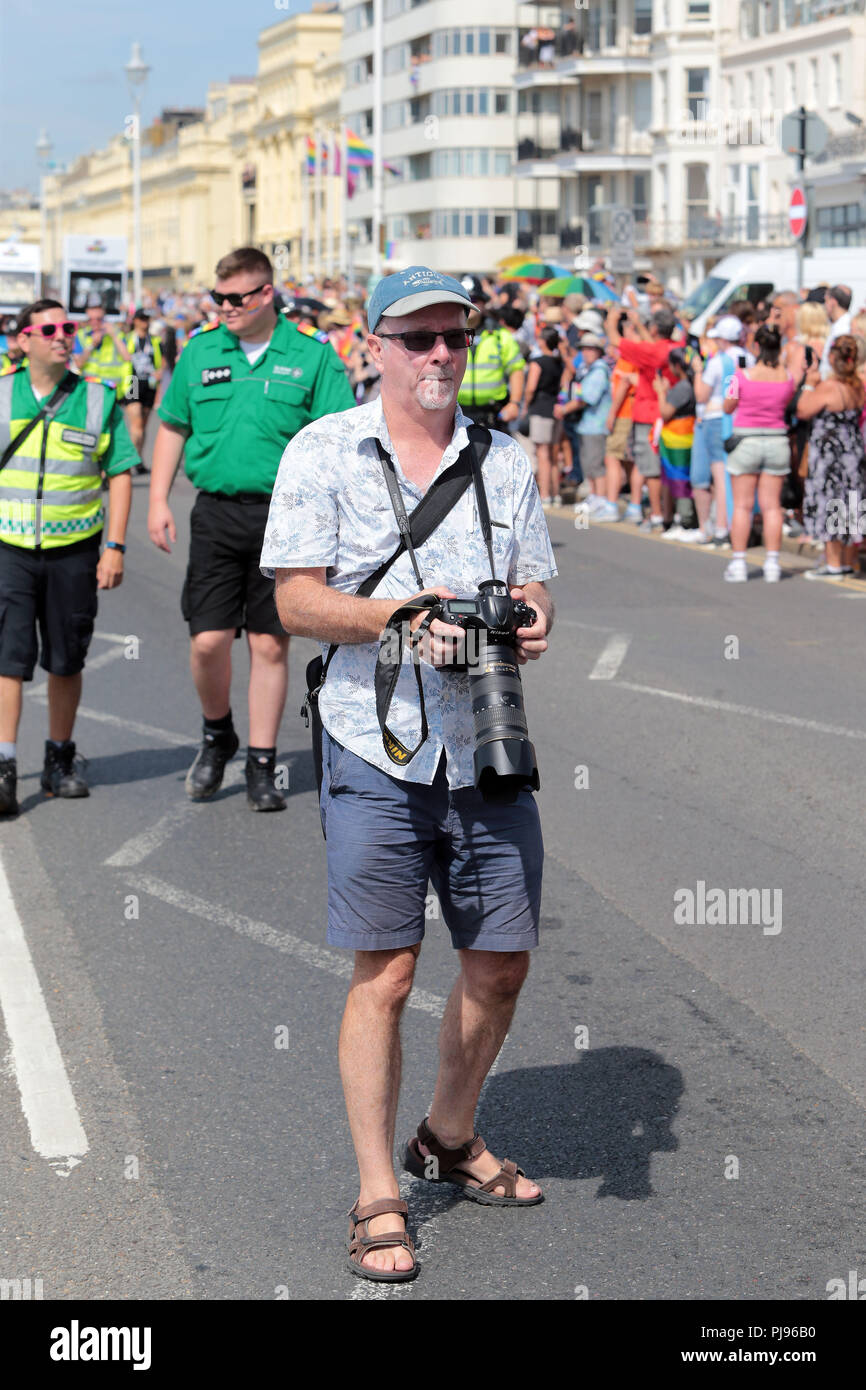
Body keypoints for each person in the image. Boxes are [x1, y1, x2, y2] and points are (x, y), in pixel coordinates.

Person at [261, 266, 556, 1282]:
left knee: (500, 963)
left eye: (454, 340)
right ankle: (377, 1189)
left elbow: (530, 583)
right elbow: (296, 602)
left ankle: (448, 1132)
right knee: (384, 971)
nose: (440, 357)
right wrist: (398, 616)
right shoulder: (323, 450)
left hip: (486, 736)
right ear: (374, 346)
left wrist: (528, 614)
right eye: (418, 339)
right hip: (370, 739)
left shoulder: (504, 457)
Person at [147, 246, 354, 811]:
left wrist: (337, 522)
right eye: (219, 298)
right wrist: (157, 500)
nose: (226, 307)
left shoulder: (311, 356)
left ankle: (262, 763)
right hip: (215, 512)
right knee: (208, 640)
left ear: (267, 294)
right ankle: (219, 734)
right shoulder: (201, 350)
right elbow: (171, 425)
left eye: (237, 298)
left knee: (269, 643)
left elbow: (336, 441)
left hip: (284, 520)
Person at [0, 300, 137, 815]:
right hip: (8, 548)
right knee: (6, 659)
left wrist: (115, 546)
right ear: (24, 340)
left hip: (74, 551)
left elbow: (120, 471)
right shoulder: (2, 392)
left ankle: (59, 758)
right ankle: (4, 764)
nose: (63, 336)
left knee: (66, 657)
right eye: (50, 329)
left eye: (68, 328)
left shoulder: (98, 398)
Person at [721, 324, 795, 582]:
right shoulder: (787, 377)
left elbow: (727, 406)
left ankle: (739, 563)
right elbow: (787, 401)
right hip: (776, 441)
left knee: (742, 505)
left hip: (746, 440)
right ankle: (772, 563)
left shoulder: (740, 376)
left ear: (756, 347)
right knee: (772, 506)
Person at [605, 303, 677, 533]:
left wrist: (611, 319)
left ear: (654, 328)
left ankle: (657, 515)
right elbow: (654, 344)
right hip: (668, 413)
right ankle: (664, 514)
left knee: (651, 469)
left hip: (648, 415)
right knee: (662, 468)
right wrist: (637, 323)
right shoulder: (674, 347)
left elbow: (616, 341)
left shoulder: (651, 352)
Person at [798, 335, 866, 579]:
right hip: (852, 451)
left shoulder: (829, 387)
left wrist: (808, 384)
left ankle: (834, 564)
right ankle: (848, 561)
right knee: (849, 503)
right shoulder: (858, 385)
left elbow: (803, 410)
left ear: (832, 358)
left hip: (830, 454)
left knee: (831, 503)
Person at [690, 316, 752, 546]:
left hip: (719, 419)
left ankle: (721, 528)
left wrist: (698, 371)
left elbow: (702, 395)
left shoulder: (718, 362)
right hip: (741, 419)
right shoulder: (749, 358)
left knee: (721, 473)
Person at [556, 333, 612, 515]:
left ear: (598, 351)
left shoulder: (599, 371)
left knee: (595, 464)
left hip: (596, 424)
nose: (586, 352)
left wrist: (564, 409)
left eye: (590, 349)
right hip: (587, 424)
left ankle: (601, 499)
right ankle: (595, 496)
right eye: (584, 349)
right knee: (588, 463)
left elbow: (586, 398)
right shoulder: (587, 369)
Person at [456, 289, 525, 431]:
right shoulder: (446, 334)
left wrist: (515, 403)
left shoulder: (500, 335)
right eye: (465, 298)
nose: (470, 303)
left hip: (492, 416)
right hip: (456, 413)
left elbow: (516, 368)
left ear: (484, 303)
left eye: (475, 299)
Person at [654, 348, 696, 535]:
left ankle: (684, 520)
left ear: (677, 366)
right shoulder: (688, 385)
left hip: (678, 440)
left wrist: (661, 393)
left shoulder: (683, 387)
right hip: (682, 438)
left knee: (678, 477)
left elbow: (665, 412)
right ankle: (673, 518)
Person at [603, 315, 639, 522]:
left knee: (613, 457)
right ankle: (632, 505)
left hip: (625, 413)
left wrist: (612, 414)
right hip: (628, 413)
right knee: (628, 461)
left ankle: (612, 504)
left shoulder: (630, 356)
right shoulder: (629, 355)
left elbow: (624, 386)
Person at [124, 308, 166, 475]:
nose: (144, 322)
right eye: (141, 319)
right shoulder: (128, 339)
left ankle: (139, 461)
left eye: (146, 319)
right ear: (135, 321)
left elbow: (162, 362)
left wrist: (160, 371)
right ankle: (129, 459)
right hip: (133, 382)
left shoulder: (155, 341)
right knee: (137, 426)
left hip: (149, 383)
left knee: (144, 426)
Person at [525, 326, 564, 504]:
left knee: (543, 453)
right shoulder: (559, 362)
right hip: (554, 407)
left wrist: (526, 405)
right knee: (553, 453)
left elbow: (531, 387)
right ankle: (555, 493)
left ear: (543, 341)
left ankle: (546, 494)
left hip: (540, 408)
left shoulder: (538, 362)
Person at [74, 296, 133, 402]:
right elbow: (78, 363)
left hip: (112, 390)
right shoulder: (81, 335)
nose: (95, 322)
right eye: (91, 319)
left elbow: (127, 357)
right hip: (89, 390)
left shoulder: (115, 334)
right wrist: (92, 345)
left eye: (99, 319)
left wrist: (114, 336)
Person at [819, 285, 853, 378]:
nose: (824, 305)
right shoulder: (837, 324)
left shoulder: (844, 327)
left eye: (826, 301)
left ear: (833, 302)